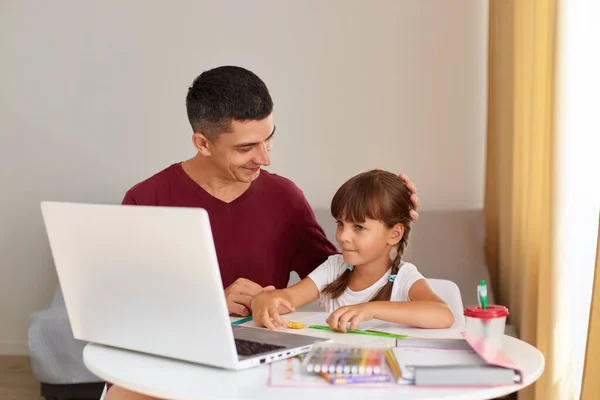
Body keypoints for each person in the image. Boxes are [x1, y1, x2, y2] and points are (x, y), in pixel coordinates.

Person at [104, 66, 420, 400]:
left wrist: (387, 215)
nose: (265, 158)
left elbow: (343, 274)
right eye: (246, 148)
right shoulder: (147, 200)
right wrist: (210, 305)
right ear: (202, 143)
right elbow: (122, 311)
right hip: (174, 354)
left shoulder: (285, 198)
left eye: (268, 139)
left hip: (259, 362)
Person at [251, 170, 453, 331]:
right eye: (341, 223)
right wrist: (264, 300)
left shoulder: (403, 277)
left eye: (358, 227)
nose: (342, 236)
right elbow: (287, 299)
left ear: (394, 234)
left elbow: (443, 314)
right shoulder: (333, 269)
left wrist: (371, 310)